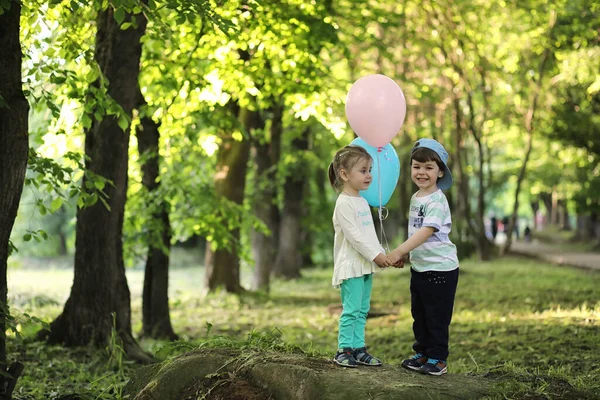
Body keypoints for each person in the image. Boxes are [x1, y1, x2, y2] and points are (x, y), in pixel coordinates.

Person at [386, 139, 459, 376]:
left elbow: (427, 231)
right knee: (420, 313)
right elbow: (415, 233)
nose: (422, 172)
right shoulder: (417, 197)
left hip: (440, 269)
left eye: (429, 167)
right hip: (420, 268)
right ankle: (423, 352)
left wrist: (399, 250)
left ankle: (438, 358)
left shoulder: (437, 200)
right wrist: (407, 255)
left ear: (440, 172)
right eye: (417, 166)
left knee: (436, 315)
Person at [328, 145, 391, 368]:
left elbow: (369, 235)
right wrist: (376, 256)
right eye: (363, 170)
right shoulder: (343, 204)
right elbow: (354, 237)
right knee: (352, 309)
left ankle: (358, 348)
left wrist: (383, 255)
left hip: (365, 265)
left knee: (363, 310)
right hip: (351, 266)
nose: (369, 175)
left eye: (370, 170)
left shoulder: (362, 202)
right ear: (344, 174)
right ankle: (343, 349)